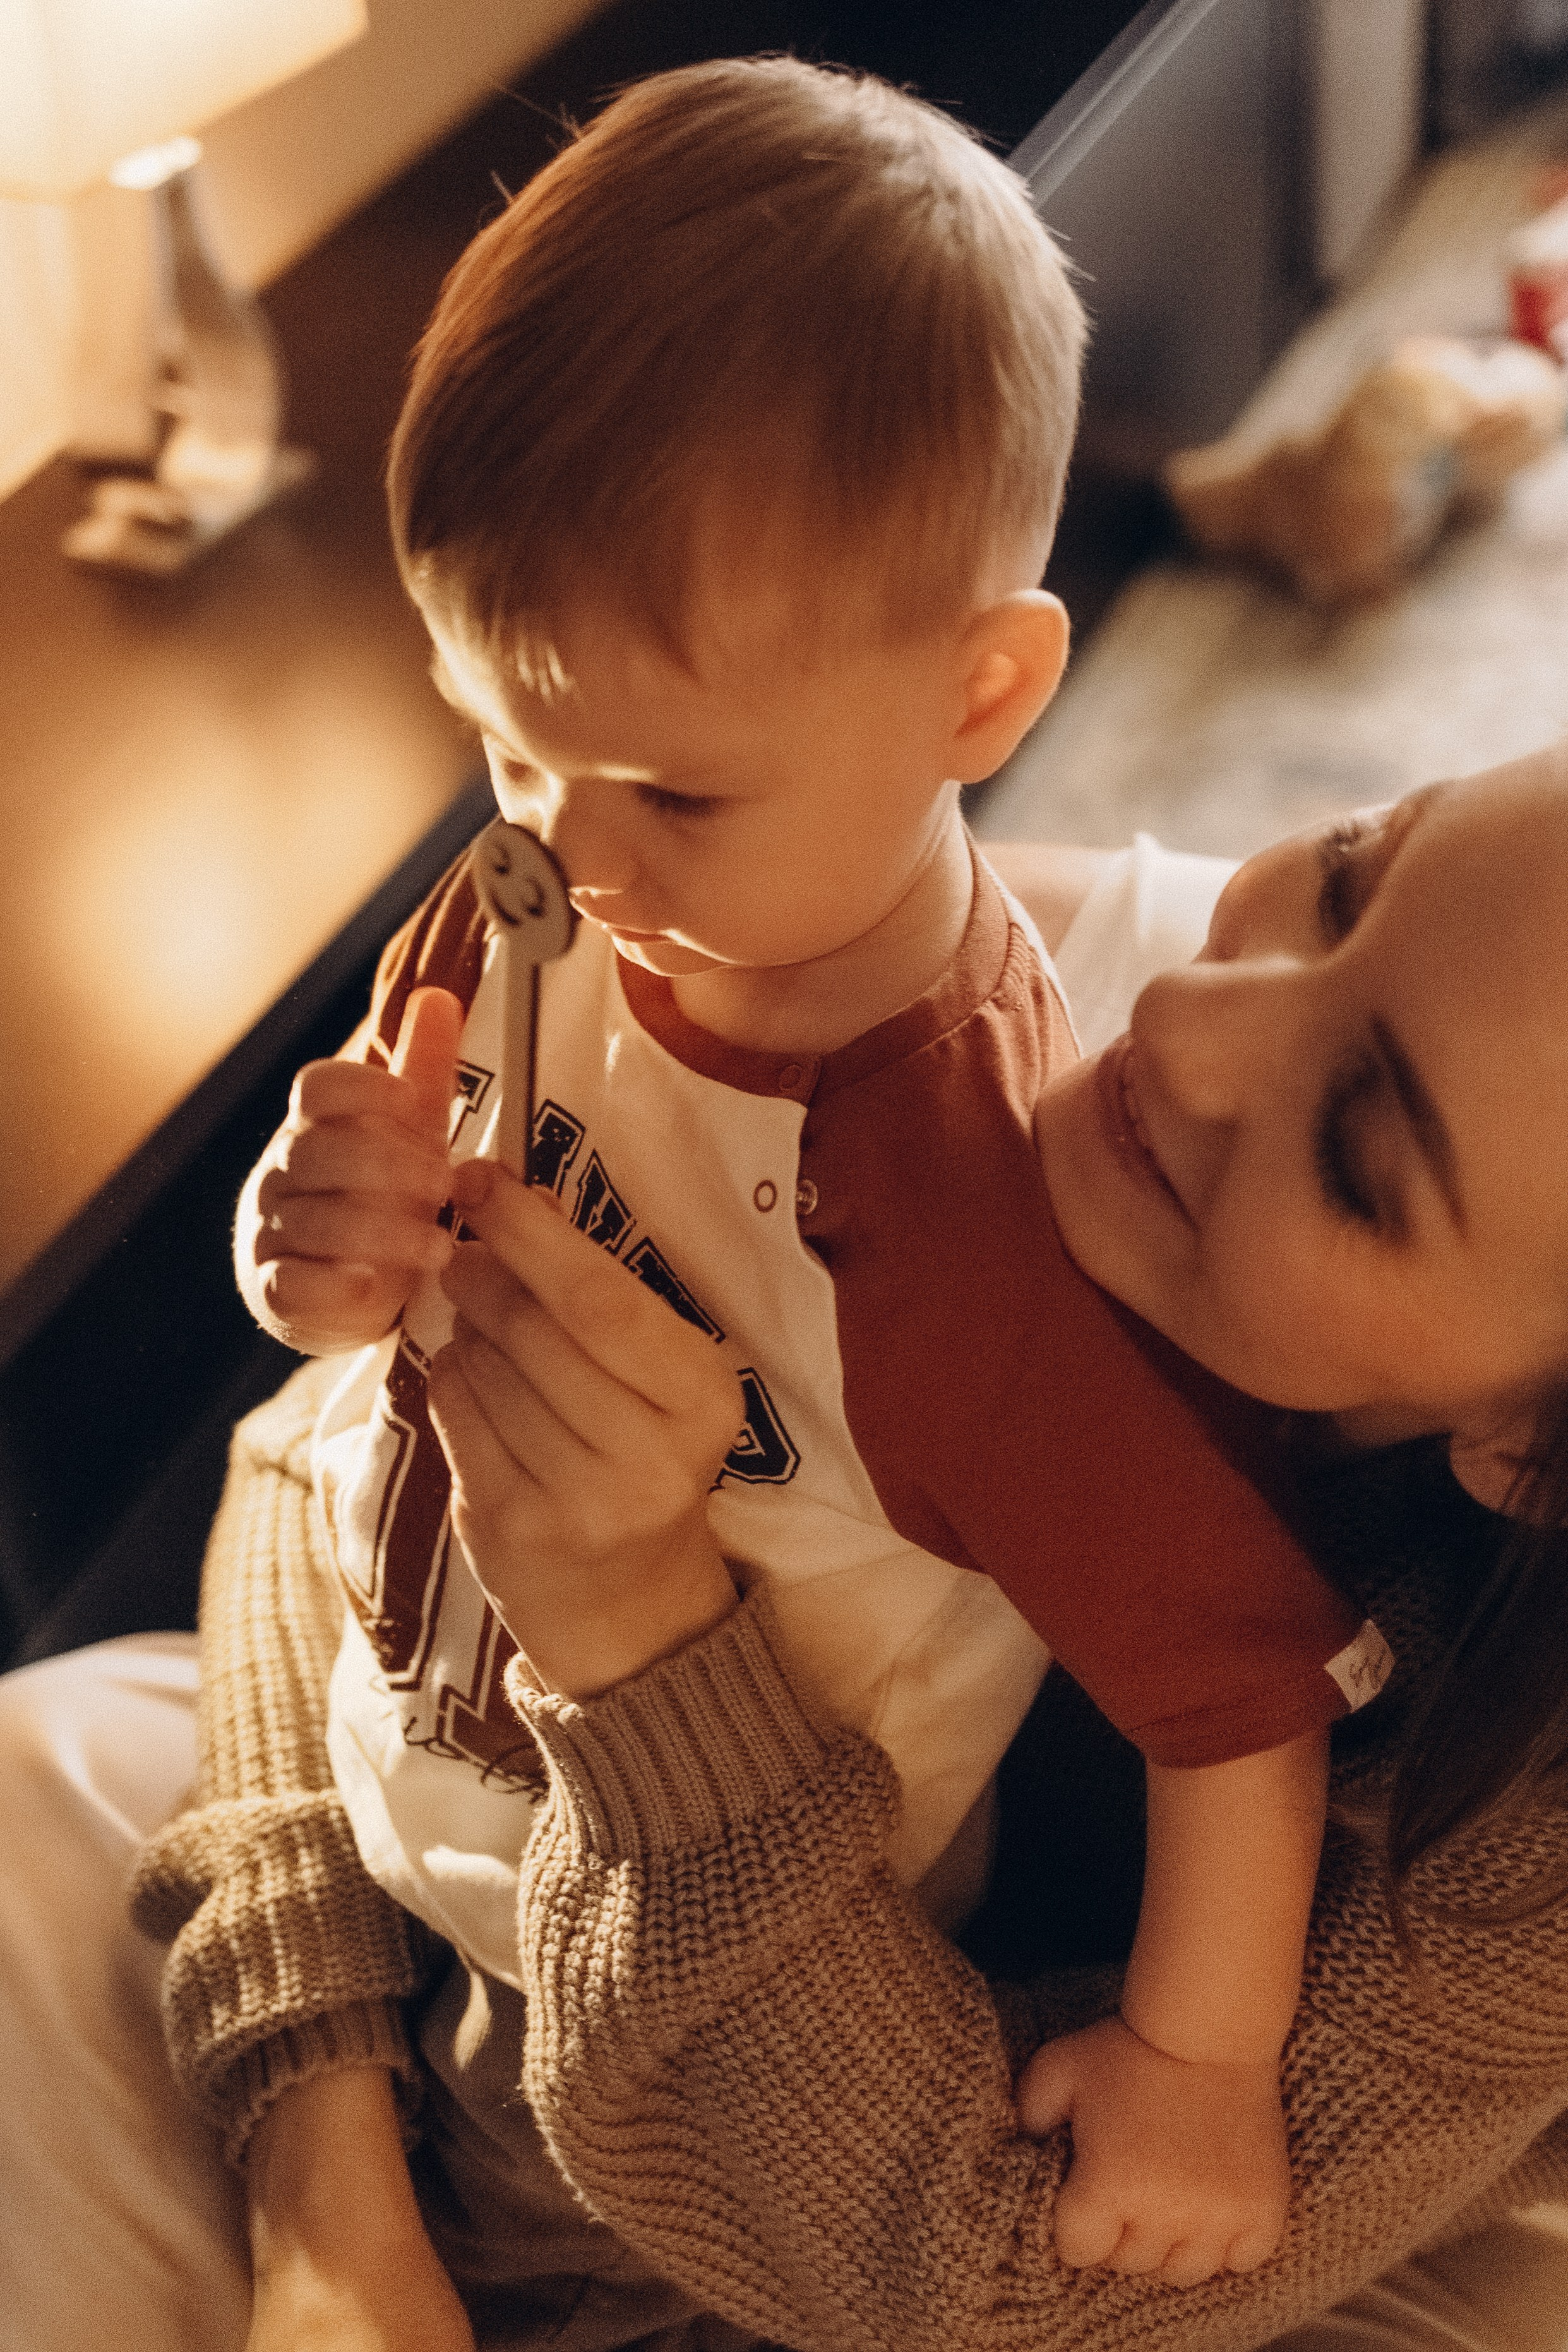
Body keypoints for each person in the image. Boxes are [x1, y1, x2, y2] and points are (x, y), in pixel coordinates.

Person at [224, 50, 1383, 2303]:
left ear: (981, 691)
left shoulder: (973, 1203)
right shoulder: (543, 883)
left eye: (667, 785)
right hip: (426, 1756)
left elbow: (1233, 1697)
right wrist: (315, 1237)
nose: (558, 841)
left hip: (683, 1972)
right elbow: (359, 1243)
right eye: (501, 736)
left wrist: (1193, 2061)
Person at [8, 770, 1568, 2350]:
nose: (1184, 1024)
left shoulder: (1515, 1864)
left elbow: (979, 2274)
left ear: (1530, 1452)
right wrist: (327, 2196)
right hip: (471, 1955)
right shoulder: (964, 982)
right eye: (1346, 871)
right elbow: (314, 1450)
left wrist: (644, 1644)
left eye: (1361, 1160)